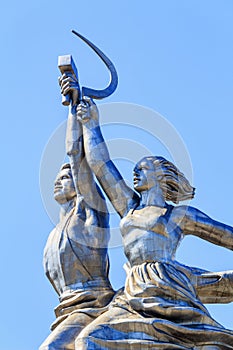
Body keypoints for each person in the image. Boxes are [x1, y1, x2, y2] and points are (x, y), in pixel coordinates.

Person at [73, 96, 233, 349]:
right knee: (88, 339)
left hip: (169, 288)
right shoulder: (128, 207)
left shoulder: (178, 215)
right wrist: (91, 124)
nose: (134, 172)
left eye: (142, 168)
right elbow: (101, 165)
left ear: (161, 175)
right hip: (133, 292)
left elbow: (227, 236)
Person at [39, 76, 114, 350]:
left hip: (93, 306)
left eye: (67, 176)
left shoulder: (91, 212)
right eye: (58, 177)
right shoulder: (52, 237)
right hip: (66, 313)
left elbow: (76, 156)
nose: (60, 180)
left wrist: (73, 107)